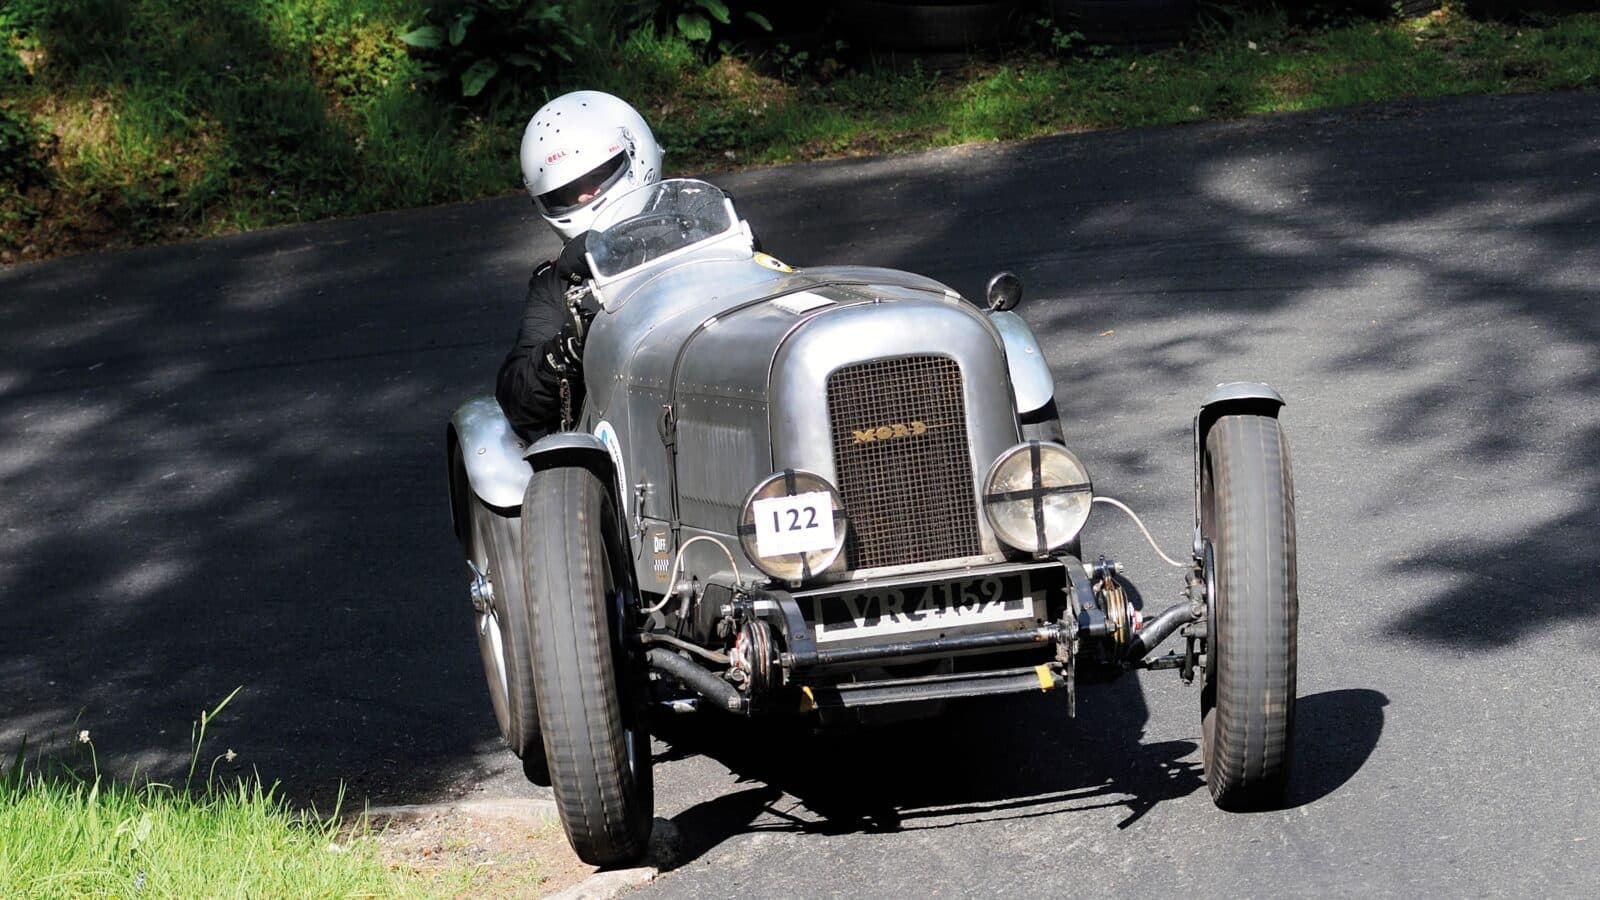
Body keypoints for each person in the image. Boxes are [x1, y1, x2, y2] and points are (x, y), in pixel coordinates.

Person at [495, 91, 662, 438]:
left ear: (635, 153)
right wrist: (569, 347)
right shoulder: (556, 284)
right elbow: (519, 398)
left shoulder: (705, 228)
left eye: (596, 177)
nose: (586, 198)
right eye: (568, 193)